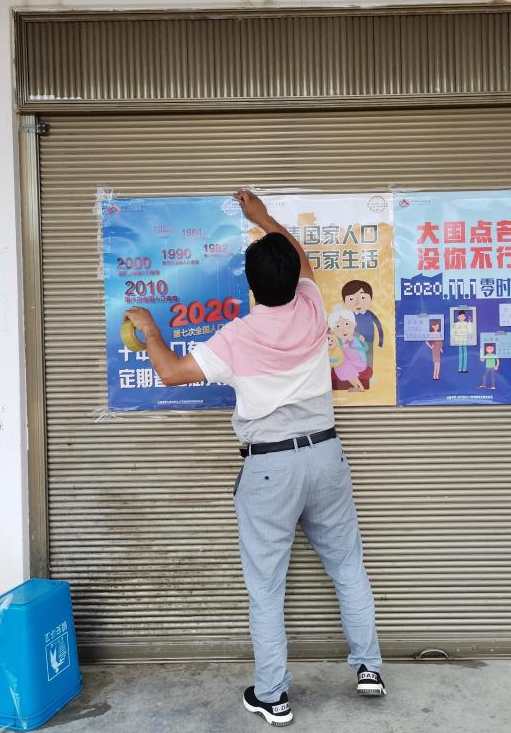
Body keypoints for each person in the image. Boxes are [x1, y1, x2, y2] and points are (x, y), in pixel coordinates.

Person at [124, 189, 385, 728]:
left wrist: (149, 331)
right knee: (347, 567)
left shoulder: (236, 337)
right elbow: (299, 256)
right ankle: (369, 670)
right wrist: (262, 217)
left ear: (250, 286)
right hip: (327, 455)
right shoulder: (313, 305)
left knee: (267, 588)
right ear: (294, 278)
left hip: (270, 467)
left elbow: (170, 373)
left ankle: (273, 696)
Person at [341, 280, 384, 371]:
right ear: (344, 300)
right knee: (353, 360)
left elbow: (379, 327)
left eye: (363, 297)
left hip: (368, 342)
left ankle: (367, 375)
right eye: (351, 299)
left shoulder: (370, 314)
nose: (357, 303)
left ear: (371, 298)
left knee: (368, 362)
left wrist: (380, 342)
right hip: (352, 342)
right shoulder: (347, 316)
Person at [330, 306, 368, 391]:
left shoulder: (352, 337)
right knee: (341, 365)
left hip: (357, 362)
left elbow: (358, 346)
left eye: (347, 324)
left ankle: (360, 387)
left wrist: (359, 336)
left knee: (344, 366)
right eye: (338, 326)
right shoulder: (337, 339)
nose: (343, 329)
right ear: (333, 330)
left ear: (354, 324)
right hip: (345, 361)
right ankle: (358, 387)